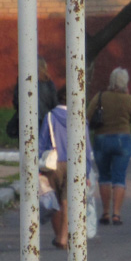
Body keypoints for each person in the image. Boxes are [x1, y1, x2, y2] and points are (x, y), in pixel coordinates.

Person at [39, 89, 96, 249]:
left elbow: (42, 142)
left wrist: (37, 167)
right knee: (68, 202)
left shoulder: (50, 116)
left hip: (53, 165)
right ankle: (64, 238)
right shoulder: (80, 119)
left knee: (55, 201)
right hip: (74, 164)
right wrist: (86, 172)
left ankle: (58, 235)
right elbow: (86, 148)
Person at [87, 67, 131, 226]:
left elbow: (88, 115)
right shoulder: (128, 99)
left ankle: (105, 212)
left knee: (104, 176)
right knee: (119, 177)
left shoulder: (100, 96)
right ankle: (116, 214)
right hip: (122, 139)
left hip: (101, 139)